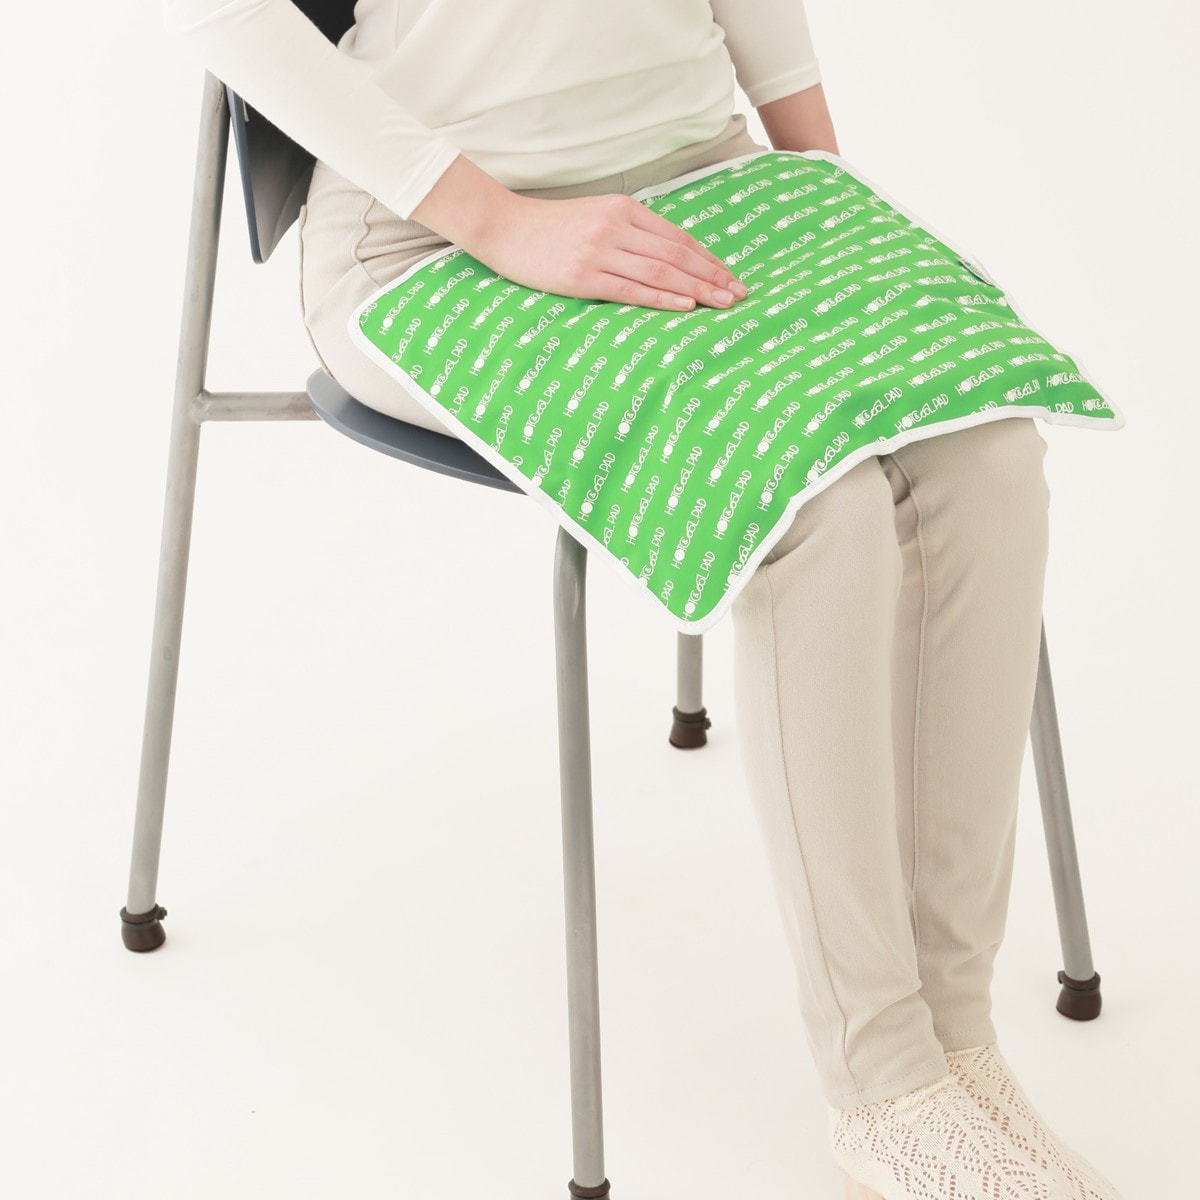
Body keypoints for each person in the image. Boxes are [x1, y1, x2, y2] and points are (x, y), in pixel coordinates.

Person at [160, 4, 1123, 1197]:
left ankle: (957, 1044)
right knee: (814, 512)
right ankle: (883, 1086)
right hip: (438, 237)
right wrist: (501, 221)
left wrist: (826, 193)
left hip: (714, 182)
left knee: (985, 452)